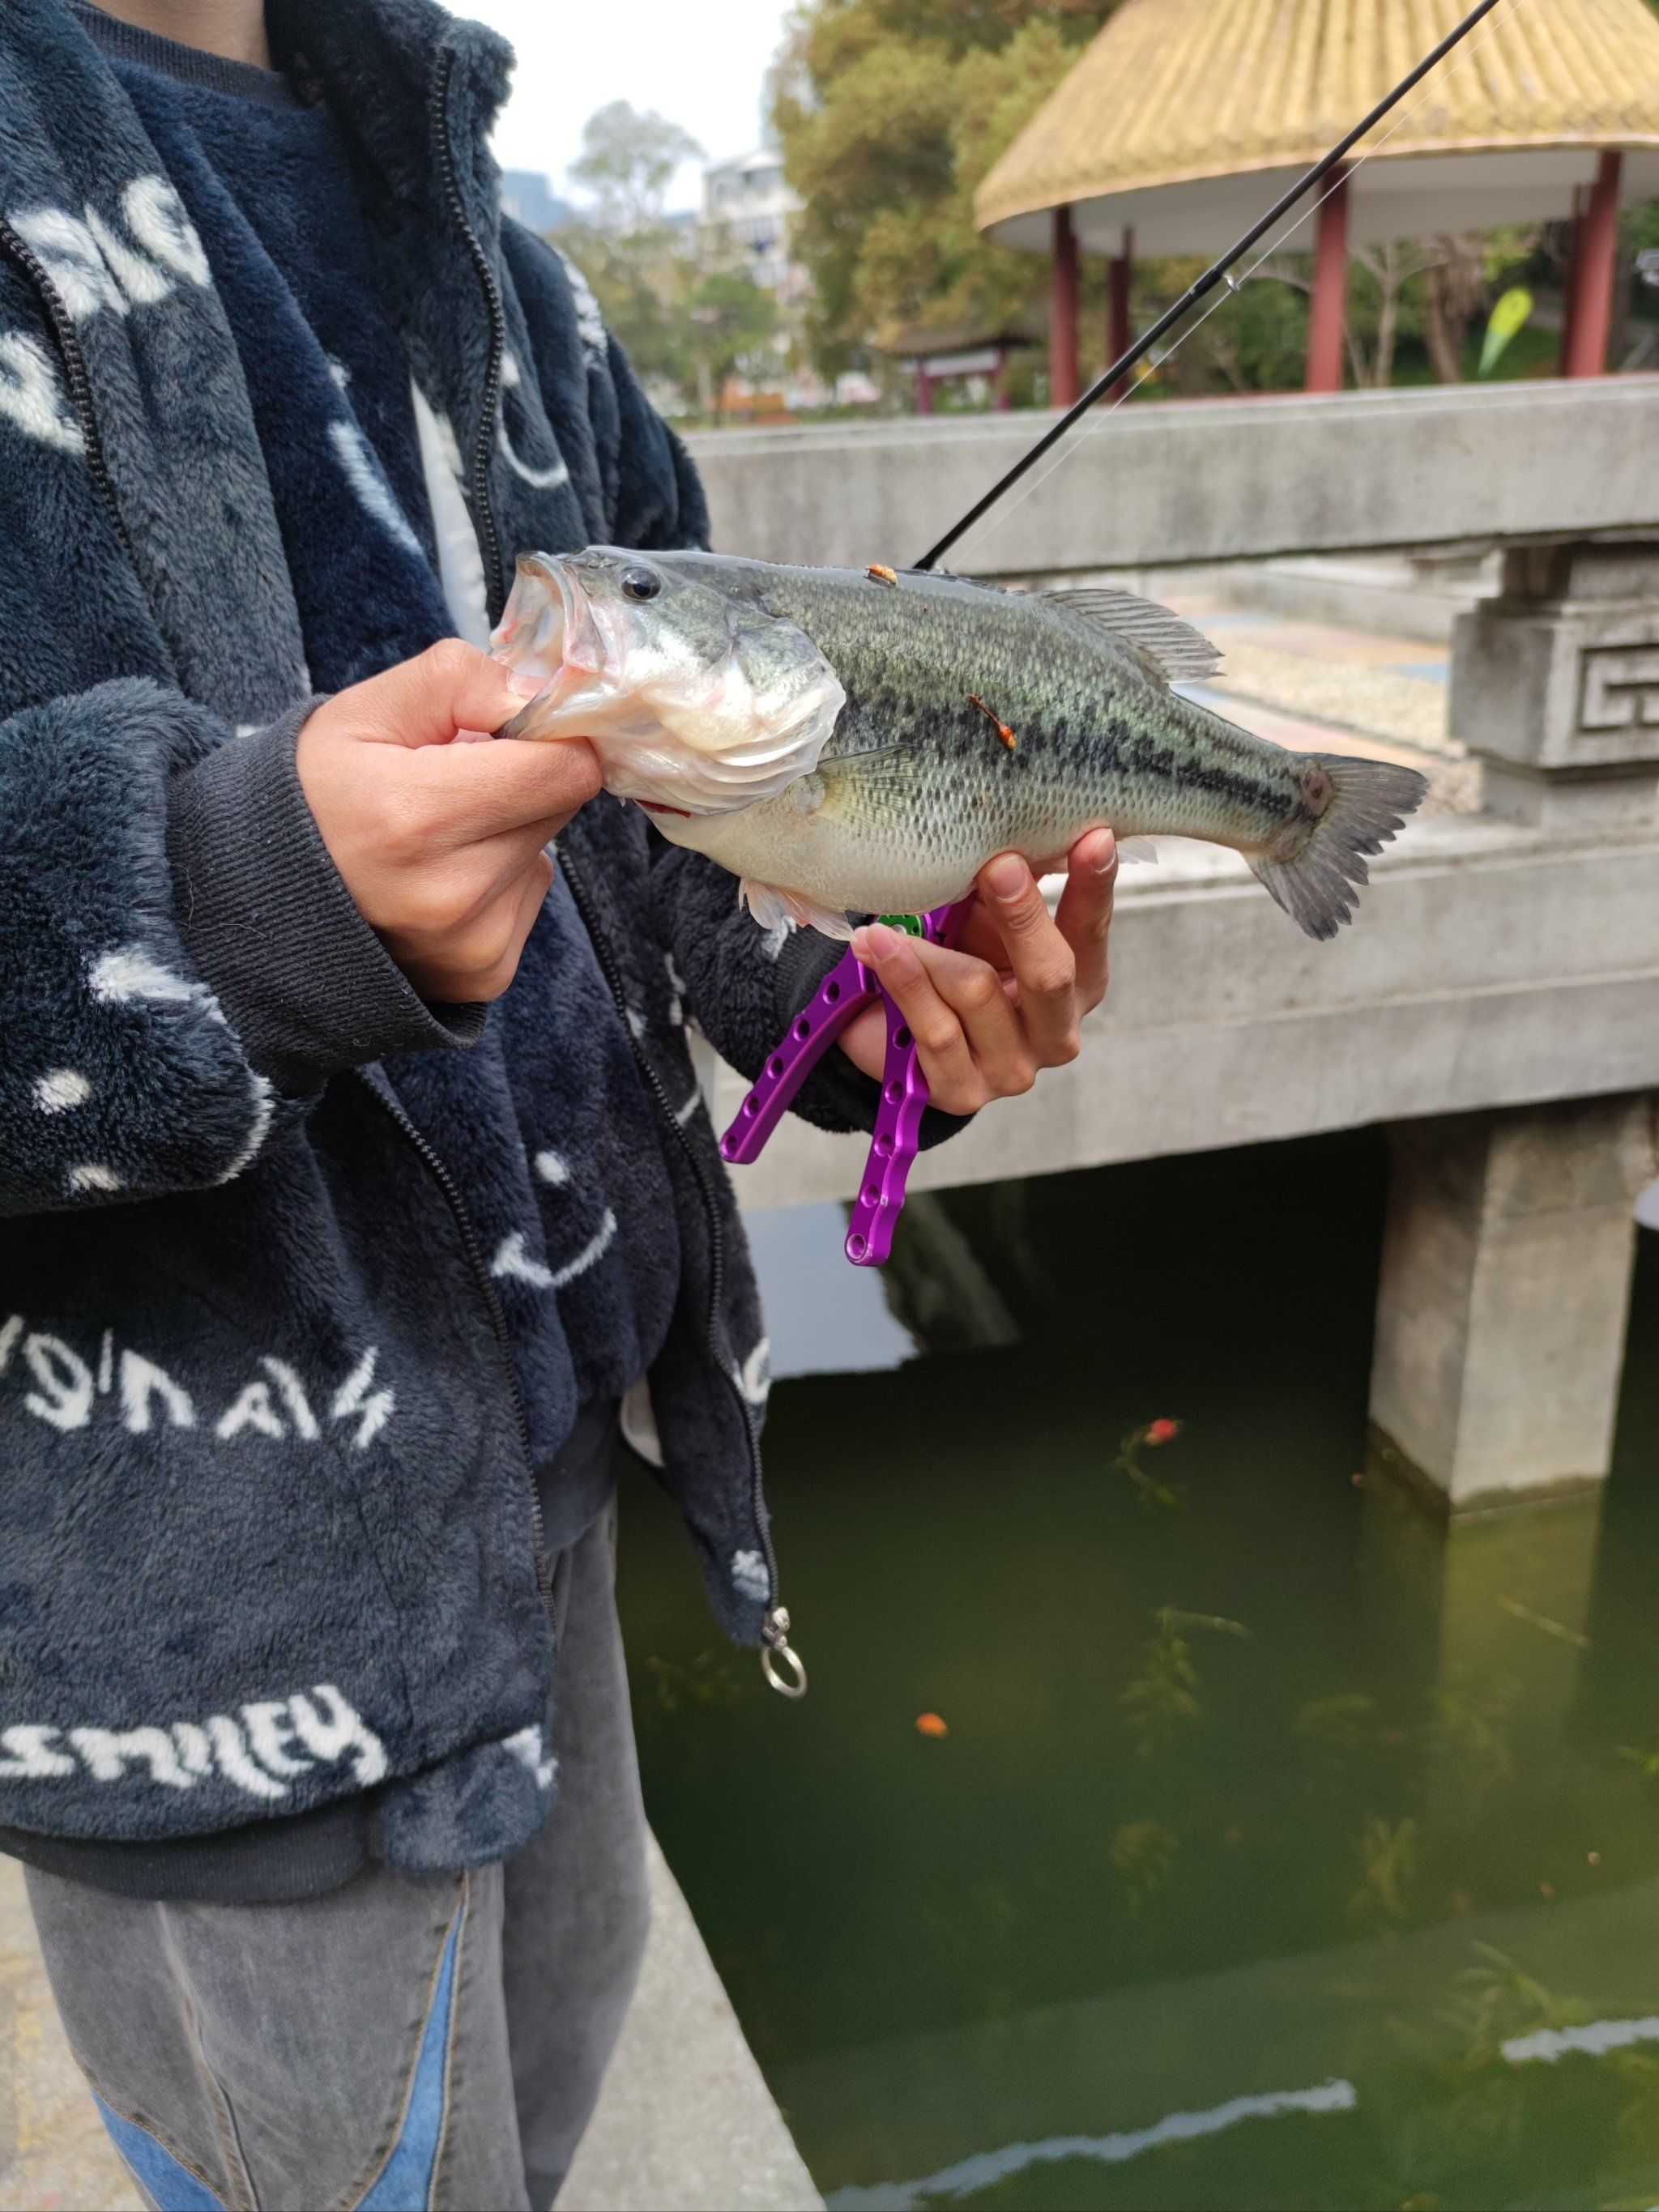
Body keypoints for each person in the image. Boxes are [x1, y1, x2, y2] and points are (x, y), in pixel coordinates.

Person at [0, 0, 1119, 2201]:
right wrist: (219, 892)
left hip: (559, 1489)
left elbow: (664, 848)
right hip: (206, 1635)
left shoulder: (498, 244)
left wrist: (858, 1019)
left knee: (551, 2091)